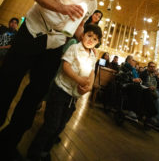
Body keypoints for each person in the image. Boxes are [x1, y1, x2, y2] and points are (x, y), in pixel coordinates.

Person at [0, 0, 118, 160]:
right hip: (32, 32)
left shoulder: (93, 3)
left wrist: (87, 42)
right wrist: (62, 8)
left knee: (35, 95)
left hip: (54, 44)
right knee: (7, 82)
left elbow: (79, 26)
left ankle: (8, 141)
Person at [26, 24, 102, 161]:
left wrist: (89, 86)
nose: (91, 40)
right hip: (61, 90)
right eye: (89, 35)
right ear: (83, 35)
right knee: (51, 124)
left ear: (97, 43)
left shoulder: (92, 56)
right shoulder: (74, 48)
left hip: (73, 96)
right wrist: (78, 79)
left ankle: (45, 151)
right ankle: (34, 152)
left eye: (95, 39)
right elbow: (66, 66)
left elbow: (92, 72)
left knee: (61, 125)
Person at [140, 62, 159, 134]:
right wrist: (149, 87)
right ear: (148, 67)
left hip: (155, 91)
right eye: (151, 66)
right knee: (157, 99)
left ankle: (152, 118)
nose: (152, 68)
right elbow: (141, 84)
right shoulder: (143, 74)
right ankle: (158, 124)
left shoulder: (155, 75)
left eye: (154, 67)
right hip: (147, 91)